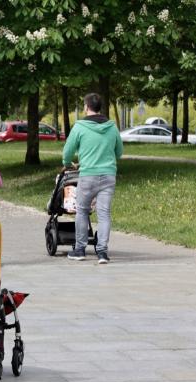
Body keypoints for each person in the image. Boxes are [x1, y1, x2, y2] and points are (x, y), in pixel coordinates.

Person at [62, 93, 123, 264]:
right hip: (108, 175)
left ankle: (80, 249)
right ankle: (102, 252)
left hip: (88, 175)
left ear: (87, 107)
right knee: (104, 214)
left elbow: (67, 152)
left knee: (82, 210)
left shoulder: (80, 127)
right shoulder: (112, 127)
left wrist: (67, 163)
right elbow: (119, 152)